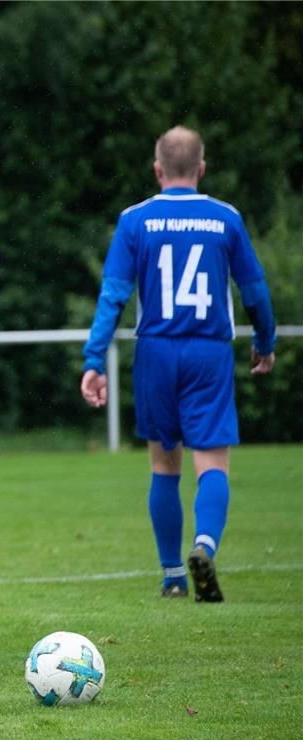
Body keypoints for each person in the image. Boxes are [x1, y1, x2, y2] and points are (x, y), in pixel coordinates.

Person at [81, 125, 277, 602]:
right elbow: (254, 291)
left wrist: (94, 359)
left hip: (157, 350)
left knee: (163, 464)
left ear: (157, 169)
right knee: (212, 463)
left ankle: (172, 575)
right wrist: (265, 340)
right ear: (202, 168)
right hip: (209, 351)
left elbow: (113, 297)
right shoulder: (225, 218)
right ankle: (204, 545)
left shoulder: (135, 220)